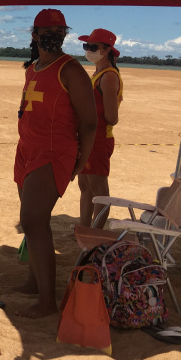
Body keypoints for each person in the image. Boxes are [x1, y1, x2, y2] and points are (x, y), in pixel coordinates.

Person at [13, 9, 97, 318]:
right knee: (33, 222)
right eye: (47, 31)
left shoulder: (71, 70)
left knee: (34, 219)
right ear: (34, 35)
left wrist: (80, 163)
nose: (54, 35)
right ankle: (35, 282)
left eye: (59, 30)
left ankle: (47, 301)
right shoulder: (33, 67)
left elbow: (89, 123)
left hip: (53, 152)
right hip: (27, 150)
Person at [77, 28, 123, 228]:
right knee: (85, 186)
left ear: (106, 50)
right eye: (86, 46)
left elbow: (112, 118)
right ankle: (84, 227)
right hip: (88, 137)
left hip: (99, 139)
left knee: (98, 189)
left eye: (93, 47)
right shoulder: (98, 73)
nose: (88, 50)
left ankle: (96, 233)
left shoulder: (109, 76)